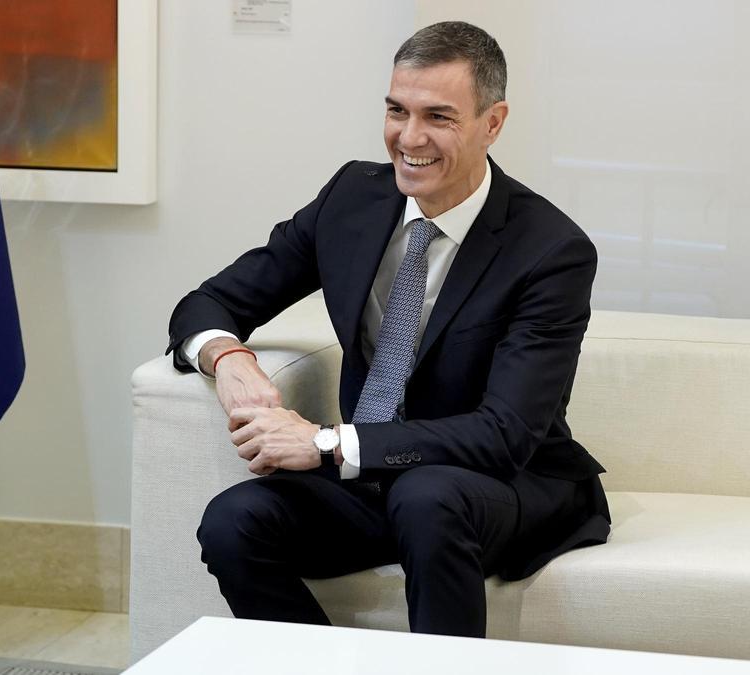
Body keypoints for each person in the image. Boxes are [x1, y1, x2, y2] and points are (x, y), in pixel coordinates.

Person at [167, 21, 610, 637]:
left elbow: (505, 434)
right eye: (397, 110)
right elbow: (208, 301)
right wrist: (229, 358)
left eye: (438, 117)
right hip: (374, 478)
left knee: (425, 498)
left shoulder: (550, 249)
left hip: (503, 483)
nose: (409, 137)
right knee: (232, 522)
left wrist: (327, 443)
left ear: (493, 122)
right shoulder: (352, 198)